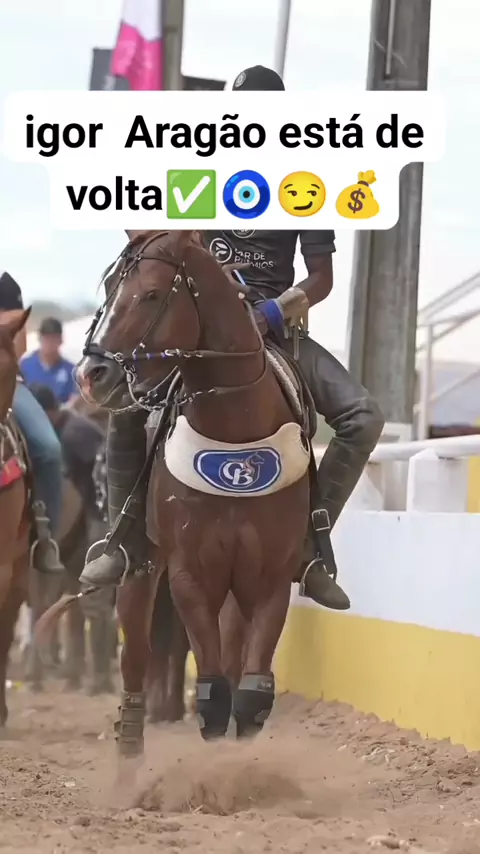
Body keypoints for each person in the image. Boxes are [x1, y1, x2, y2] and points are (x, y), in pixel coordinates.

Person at [80, 66, 385, 611]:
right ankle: (123, 540)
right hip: (200, 329)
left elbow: (321, 278)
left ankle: (311, 546)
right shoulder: (198, 173)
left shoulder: (305, 181)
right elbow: (166, 248)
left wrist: (273, 310)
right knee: (127, 405)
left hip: (275, 328)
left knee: (364, 417)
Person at [0, 270, 64, 573]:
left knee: (49, 449)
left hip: (8, 383)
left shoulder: (8, 292)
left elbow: (19, 347)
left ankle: (45, 535)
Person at [29, 383, 105, 513]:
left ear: (47, 413)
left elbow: (105, 469)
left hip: (98, 510)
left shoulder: (74, 432)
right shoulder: (62, 425)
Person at [21, 316, 78, 405]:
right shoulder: (24, 366)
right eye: (47, 338)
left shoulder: (71, 371)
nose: (50, 343)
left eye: (54, 338)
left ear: (61, 340)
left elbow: (75, 399)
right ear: (39, 339)